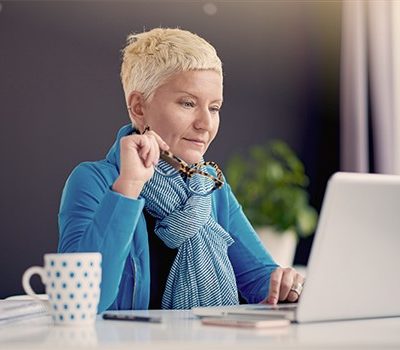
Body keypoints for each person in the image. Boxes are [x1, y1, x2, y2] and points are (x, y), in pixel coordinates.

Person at [58, 27, 305, 312]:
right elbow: (79, 301)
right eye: (188, 103)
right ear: (138, 107)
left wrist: (284, 283)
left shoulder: (210, 187)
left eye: (214, 108)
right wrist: (128, 186)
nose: (205, 123)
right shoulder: (94, 181)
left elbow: (259, 279)